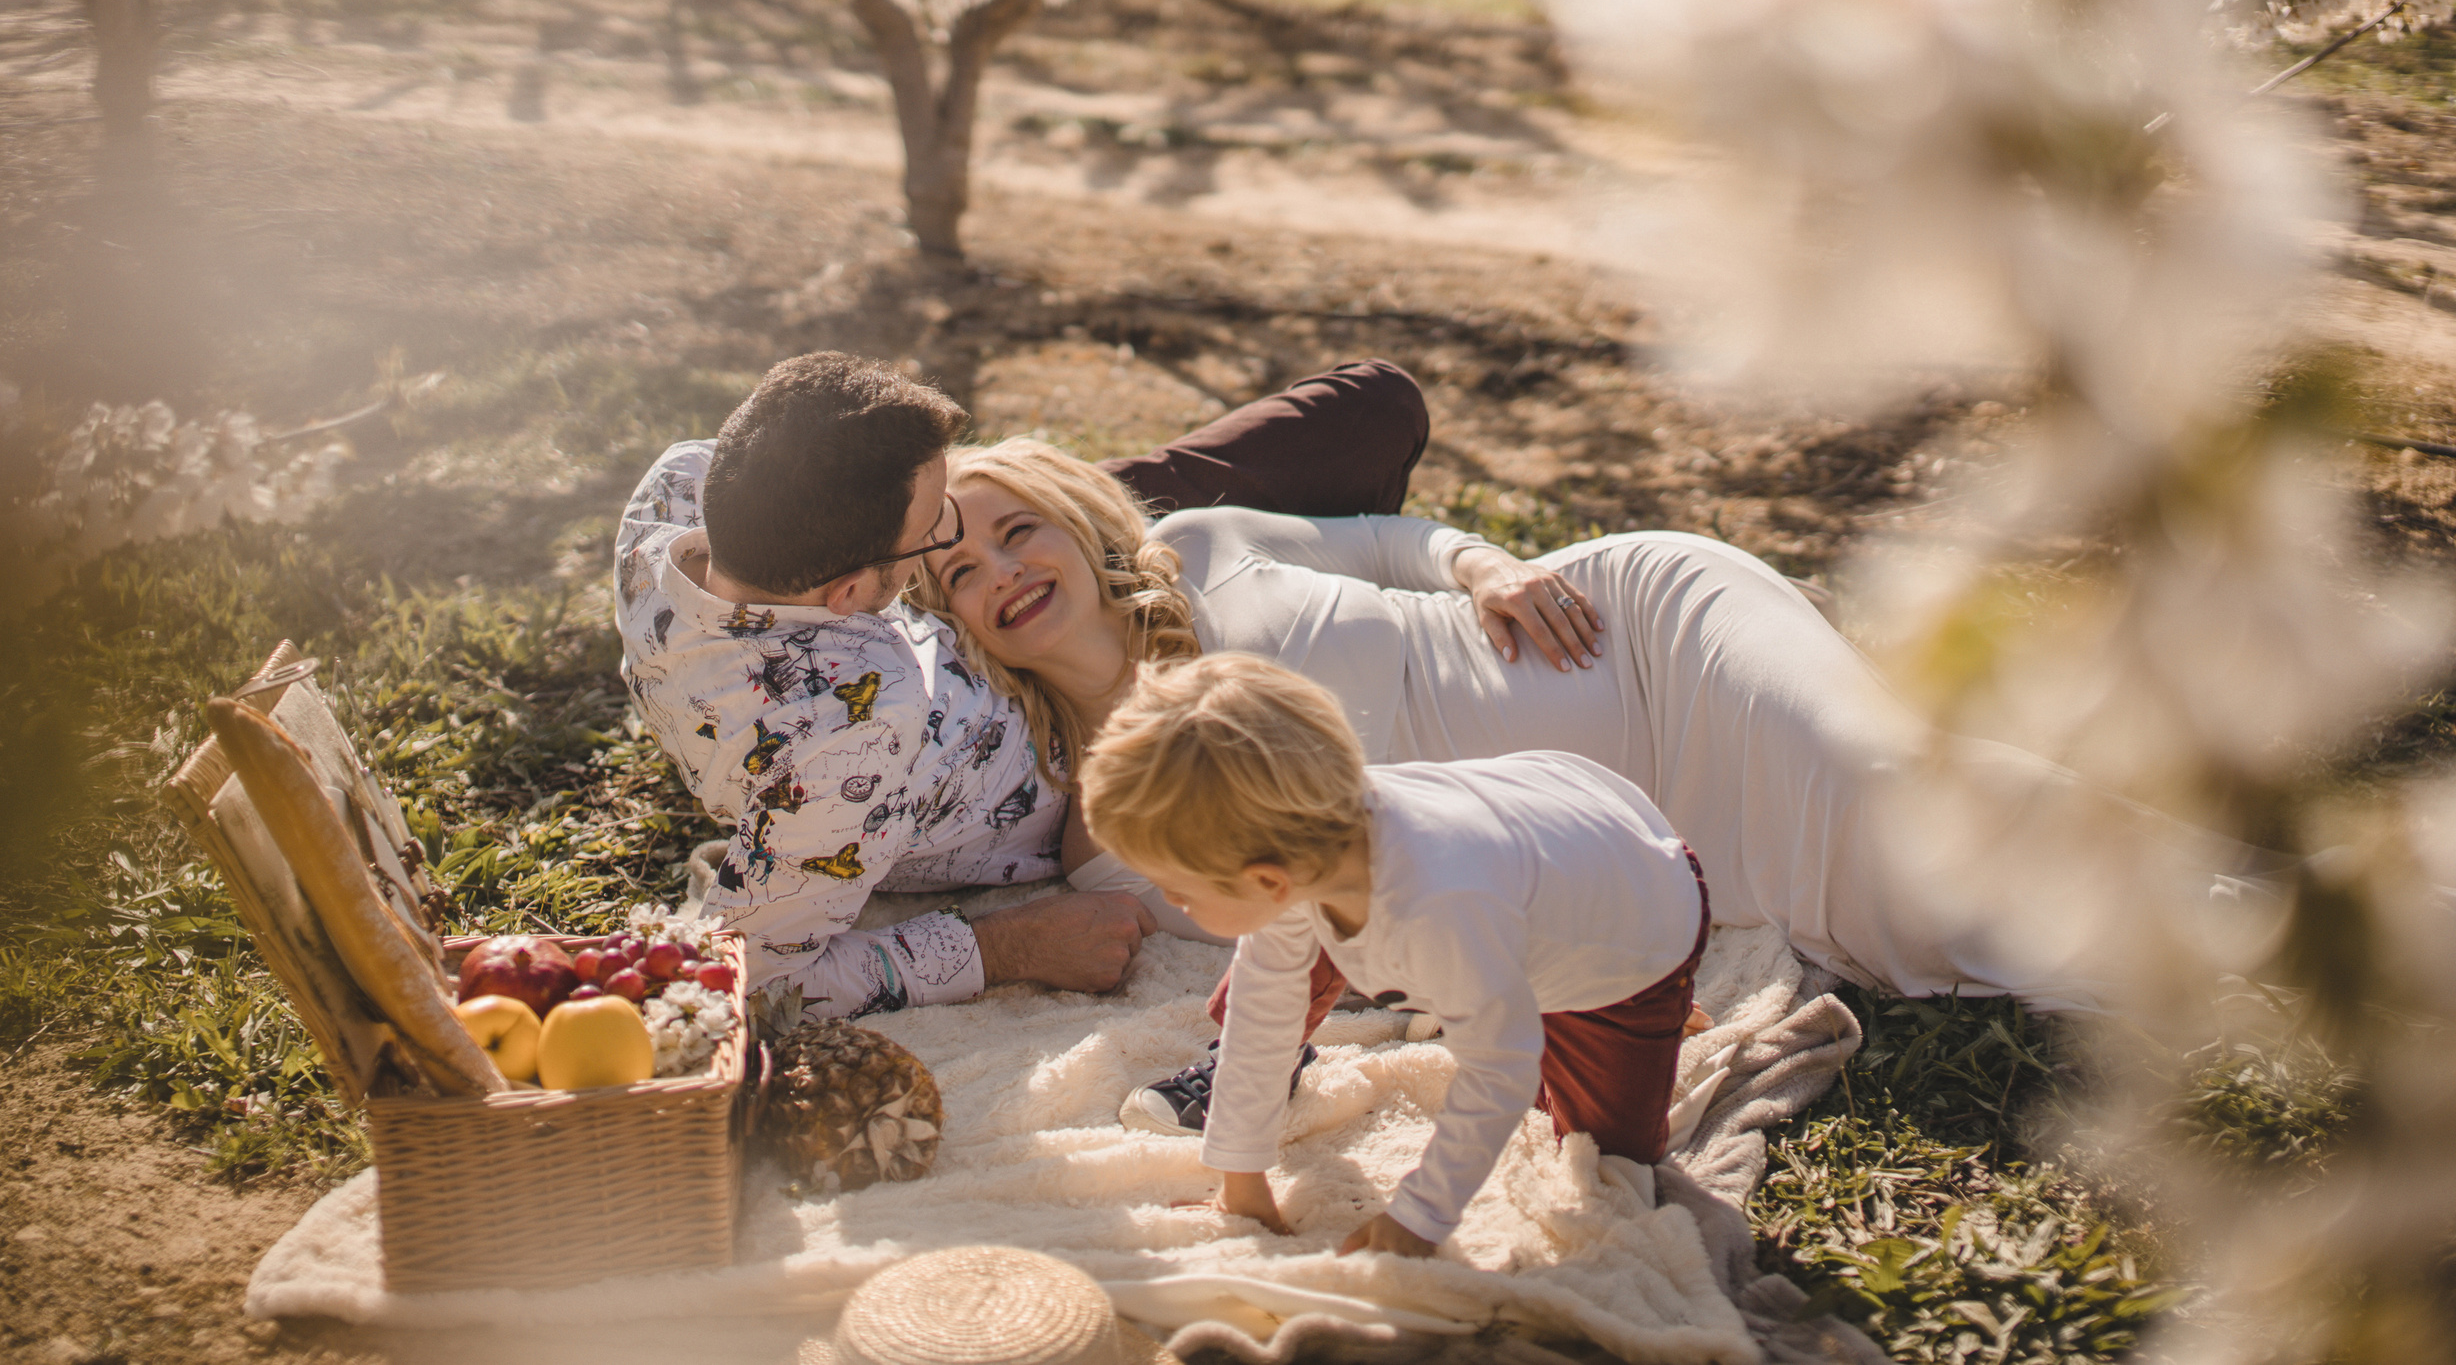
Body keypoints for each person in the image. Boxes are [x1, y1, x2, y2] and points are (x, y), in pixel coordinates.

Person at [913, 436, 2291, 1072]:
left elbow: (1394, 544)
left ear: (1067, 519)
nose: (1002, 569)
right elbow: (1306, 921)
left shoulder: (1200, 545)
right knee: (1883, 900)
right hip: (1625, 825)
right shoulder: (1100, 819)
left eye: (1014, 526)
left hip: (1628, 634)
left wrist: (1490, 559)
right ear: (960, 622)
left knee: (1889, 789)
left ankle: (2292, 925)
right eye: (963, 569)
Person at [611, 350, 1431, 1019]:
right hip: (1046, 668)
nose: (948, 524)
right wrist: (1002, 946)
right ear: (851, 596)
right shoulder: (843, 743)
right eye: (933, 530)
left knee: (1374, 409)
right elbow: (738, 981)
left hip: (1053, 583)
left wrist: (1000, 518)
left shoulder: (680, 490)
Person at [1079, 654, 1712, 1257]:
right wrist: (1241, 1179)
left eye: (1180, 893)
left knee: (1608, 1158)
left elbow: (1501, 1071)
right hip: (1548, 838)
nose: (1168, 900)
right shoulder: (1314, 834)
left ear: (1269, 881)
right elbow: (1264, 1007)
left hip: (1637, 931)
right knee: (1272, 973)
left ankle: (1665, 1008)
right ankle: (1492, 984)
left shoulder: (1439, 909)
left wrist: (1420, 1217)